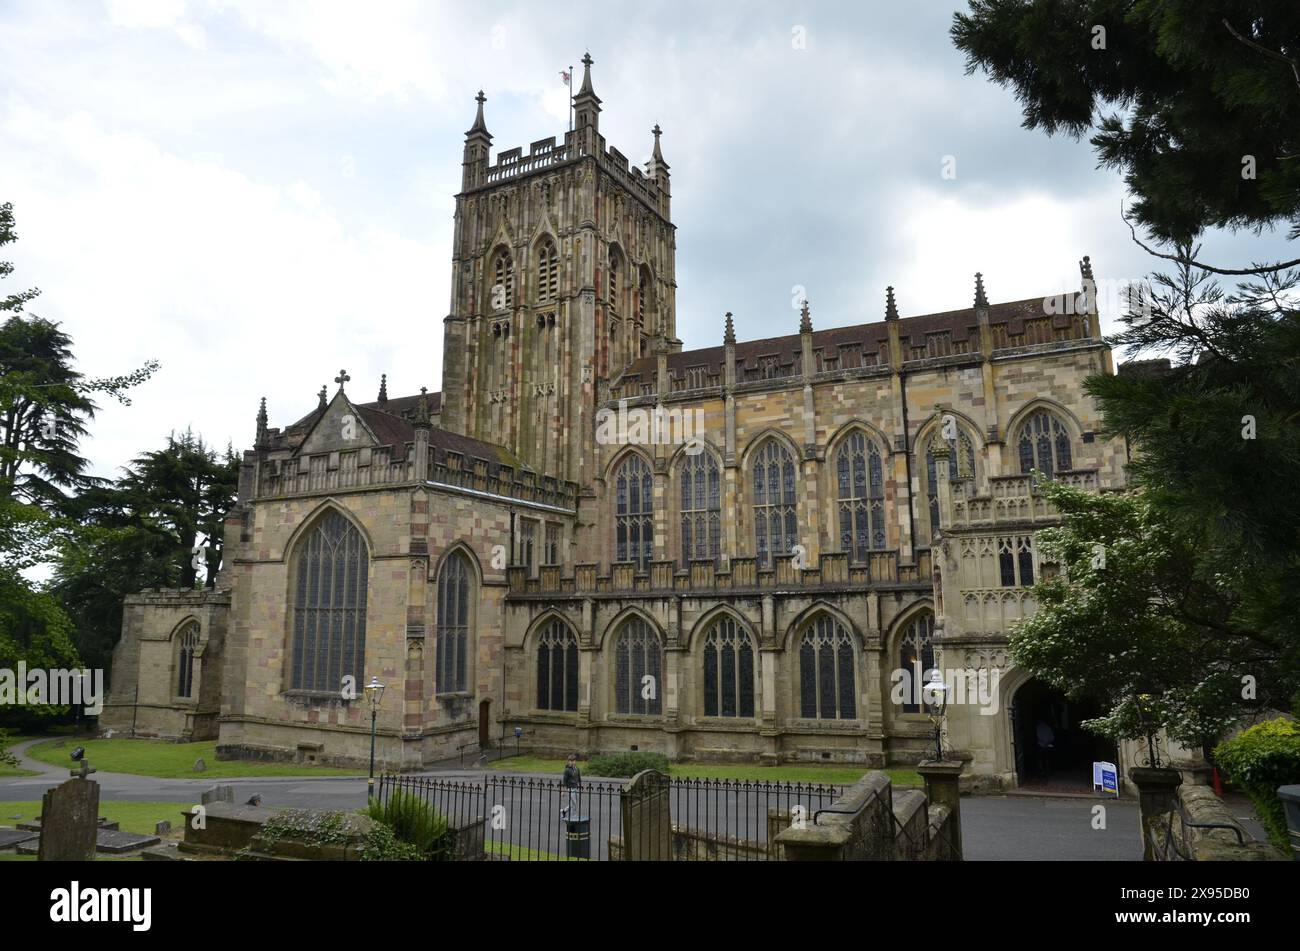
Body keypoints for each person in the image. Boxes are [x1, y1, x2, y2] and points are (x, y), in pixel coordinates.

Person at [560, 753, 581, 820]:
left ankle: (564, 811)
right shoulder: (567, 770)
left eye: (573, 760)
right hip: (570, 788)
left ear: (575, 761)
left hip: (576, 787)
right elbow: (564, 781)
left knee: (573, 803)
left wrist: (580, 785)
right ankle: (573, 817)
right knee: (574, 803)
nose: (572, 762)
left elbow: (579, 778)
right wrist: (563, 791)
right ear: (569, 761)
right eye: (571, 761)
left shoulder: (577, 769)